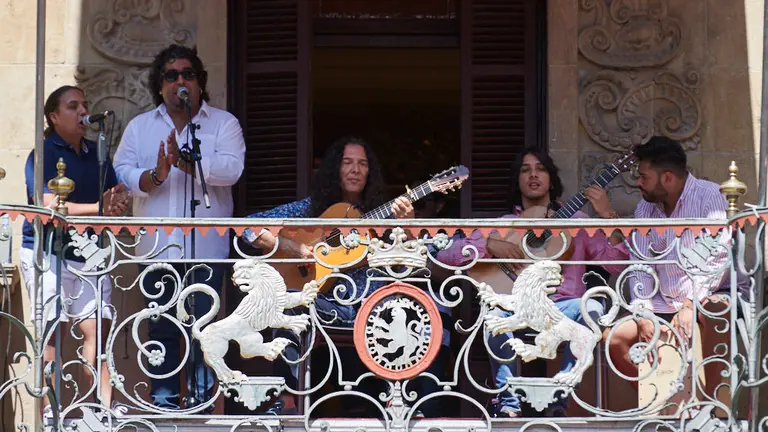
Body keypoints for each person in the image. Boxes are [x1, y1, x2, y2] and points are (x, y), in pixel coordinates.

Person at [436, 149, 628, 417]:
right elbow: (448, 255)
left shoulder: (578, 223)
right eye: (525, 170)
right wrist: (489, 244)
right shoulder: (505, 225)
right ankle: (508, 404)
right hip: (518, 306)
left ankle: (560, 398)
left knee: (592, 308)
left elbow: (617, 264)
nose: (533, 174)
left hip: (563, 308)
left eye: (541, 168)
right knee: (494, 317)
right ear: (517, 180)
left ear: (551, 178)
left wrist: (608, 217)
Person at [113, 44, 246, 410]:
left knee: (204, 332)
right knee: (162, 331)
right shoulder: (140, 128)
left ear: (199, 82)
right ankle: (165, 406)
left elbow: (233, 168)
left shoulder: (223, 123)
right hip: (157, 250)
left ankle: (203, 408)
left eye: (187, 74)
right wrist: (154, 175)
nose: (180, 81)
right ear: (160, 85)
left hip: (207, 250)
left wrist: (188, 164)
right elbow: (122, 171)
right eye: (171, 76)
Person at [243, 136, 414, 415]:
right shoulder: (312, 210)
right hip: (322, 304)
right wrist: (292, 247)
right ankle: (287, 396)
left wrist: (407, 224)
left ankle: (379, 404)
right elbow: (249, 228)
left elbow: (412, 259)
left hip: (369, 308)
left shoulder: (384, 216)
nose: (355, 170)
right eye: (347, 162)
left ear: (370, 172)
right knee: (289, 303)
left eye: (362, 164)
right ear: (336, 169)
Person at [20, 85, 130, 417]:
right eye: (73, 106)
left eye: (85, 104)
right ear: (54, 117)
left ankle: (102, 411)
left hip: (89, 253)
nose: (83, 111)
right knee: (52, 335)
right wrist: (99, 207)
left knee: (97, 331)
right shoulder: (42, 152)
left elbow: (114, 198)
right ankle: (51, 415)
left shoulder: (97, 152)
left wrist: (118, 204)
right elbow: (47, 204)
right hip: (48, 253)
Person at [606, 136, 734, 401]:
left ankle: (712, 410)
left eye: (643, 176)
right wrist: (642, 313)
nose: (638, 182)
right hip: (662, 303)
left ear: (667, 178)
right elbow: (639, 263)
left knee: (713, 312)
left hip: (708, 294)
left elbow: (716, 257)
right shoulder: (645, 208)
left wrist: (690, 304)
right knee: (615, 338)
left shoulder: (709, 196)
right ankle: (661, 401)